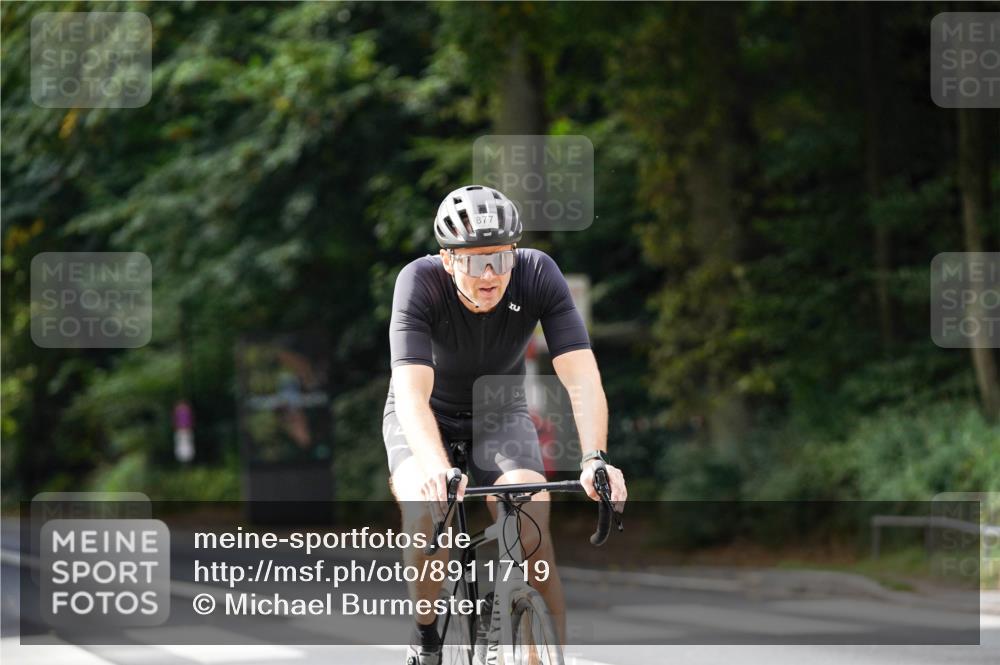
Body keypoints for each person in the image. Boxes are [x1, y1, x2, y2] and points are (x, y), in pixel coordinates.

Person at [383, 185, 627, 665]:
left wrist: (596, 457)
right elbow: (411, 395)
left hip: (499, 414)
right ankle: (427, 637)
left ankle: (542, 654)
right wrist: (436, 468)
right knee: (424, 511)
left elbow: (581, 376)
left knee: (532, 525)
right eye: (474, 261)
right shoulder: (418, 282)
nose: (490, 273)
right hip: (424, 414)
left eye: (501, 257)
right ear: (448, 260)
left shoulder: (537, 274)